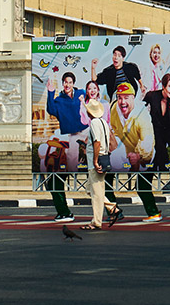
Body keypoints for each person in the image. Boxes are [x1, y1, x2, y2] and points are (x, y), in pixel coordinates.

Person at [141, 72, 170, 221]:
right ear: (163, 86)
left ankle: (167, 181)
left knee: (158, 167)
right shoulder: (152, 96)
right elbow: (140, 108)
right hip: (152, 137)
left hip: (168, 140)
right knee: (145, 176)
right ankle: (153, 211)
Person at [44, 71, 86, 222]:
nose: (67, 85)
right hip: (71, 137)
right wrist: (50, 92)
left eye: (70, 82)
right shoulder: (59, 100)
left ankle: (113, 210)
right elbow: (51, 110)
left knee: (97, 178)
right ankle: (64, 211)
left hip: (87, 134)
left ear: (74, 83)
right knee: (55, 180)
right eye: (65, 82)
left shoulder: (81, 93)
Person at [81, 98, 122, 231]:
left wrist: (95, 160)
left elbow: (97, 142)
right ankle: (111, 207)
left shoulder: (94, 123)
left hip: (97, 160)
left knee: (97, 193)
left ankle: (96, 221)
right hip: (104, 157)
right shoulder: (104, 122)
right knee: (90, 189)